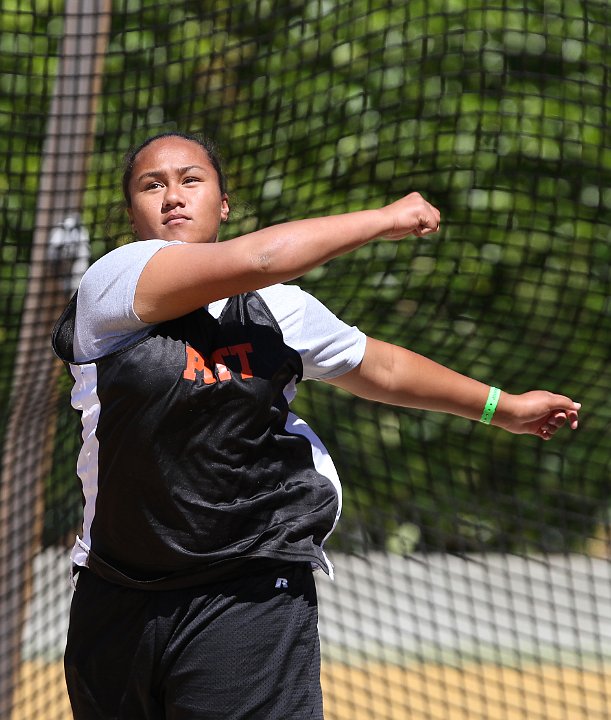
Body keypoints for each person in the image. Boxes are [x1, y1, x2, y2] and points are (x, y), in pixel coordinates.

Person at [52, 131, 580, 720]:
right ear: (132, 215)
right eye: (153, 186)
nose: (173, 196)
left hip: (248, 585)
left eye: (190, 180)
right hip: (116, 595)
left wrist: (501, 407)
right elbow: (260, 256)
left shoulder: (278, 309)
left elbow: (376, 365)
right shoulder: (113, 284)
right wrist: (384, 218)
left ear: (223, 203)